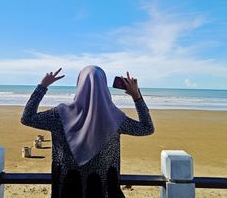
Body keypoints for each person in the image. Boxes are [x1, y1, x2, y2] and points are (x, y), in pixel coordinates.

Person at [21, 65, 154, 198]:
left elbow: (27, 118)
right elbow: (147, 128)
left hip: (66, 192)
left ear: (79, 85)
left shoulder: (59, 115)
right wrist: (136, 96)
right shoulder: (115, 118)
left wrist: (43, 86)